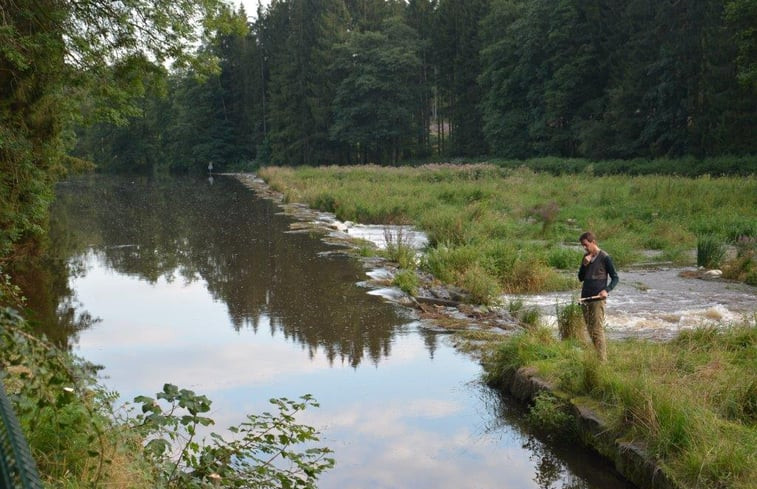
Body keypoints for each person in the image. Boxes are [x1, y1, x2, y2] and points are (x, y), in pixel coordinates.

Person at [577, 231, 618, 361]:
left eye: (586, 245)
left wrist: (607, 290)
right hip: (585, 298)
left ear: (593, 242)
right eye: (582, 245)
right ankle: (598, 357)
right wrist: (584, 264)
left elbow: (615, 278)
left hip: (597, 299)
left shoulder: (605, 257)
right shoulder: (585, 257)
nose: (584, 247)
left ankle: (602, 361)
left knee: (597, 330)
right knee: (590, 330)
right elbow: (580, 278)